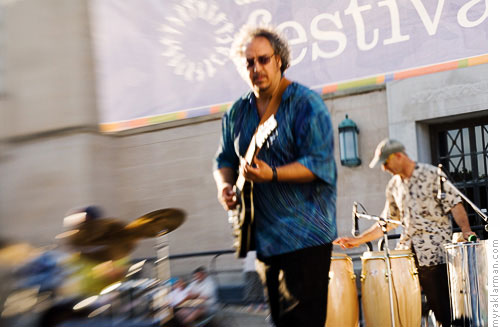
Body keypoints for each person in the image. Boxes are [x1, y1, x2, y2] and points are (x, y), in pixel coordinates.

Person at [213, 25, 337, 327]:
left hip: (306, 237)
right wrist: (225, 186)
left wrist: (273, 174)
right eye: (249, 62)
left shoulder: (306, 104)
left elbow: (319, 164)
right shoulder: (236, 113)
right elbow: (224, 158)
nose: (256, 68)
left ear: (279, 59)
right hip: (266, 240)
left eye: (263, 59)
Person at [333, 138, 477, 327]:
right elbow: (386, 223)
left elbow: (455, 205)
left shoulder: (432, 174)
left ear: (399, 156)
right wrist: (358, 240)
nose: (384, 168)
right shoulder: (393, 186)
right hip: (406, 257)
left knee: (444, 312)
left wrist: (466, 230)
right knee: (403, 312)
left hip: (435, 256)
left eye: (385, 162)